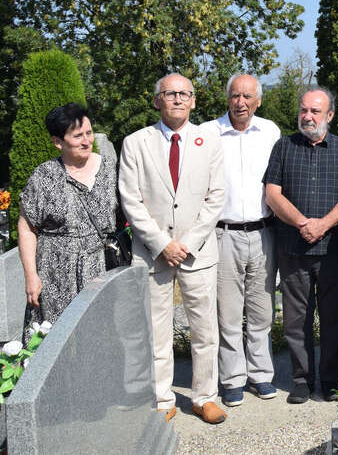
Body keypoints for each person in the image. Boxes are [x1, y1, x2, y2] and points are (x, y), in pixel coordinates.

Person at [119, 74, 226, 424]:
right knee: (156, 330)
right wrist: (163, 244)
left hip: (198, 252)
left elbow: (216, 198)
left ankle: (205, 396)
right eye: (170, 93)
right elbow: (130, 199)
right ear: (157, 101)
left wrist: (188, 243)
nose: (178, 99)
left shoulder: (208, 140)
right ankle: (162, 398)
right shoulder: (136, 143)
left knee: (205, 330)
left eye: (184, 94)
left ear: (193, 101)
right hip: (153, 252)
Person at [264, 88, 338, 404]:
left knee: (334, 319)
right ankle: (301, 380)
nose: (308, 116)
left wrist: (323, 224)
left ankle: (331, 379)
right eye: (304, 110)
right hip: (293, 248)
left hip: (333, 249)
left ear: (329, 116)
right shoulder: (283, 147)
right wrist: (302, 223)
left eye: (315, 111)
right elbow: (273, 194)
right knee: (295, 320)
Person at [202, 74, 281, 407]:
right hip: (223, 233)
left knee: (262, 309)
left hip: (264, 232)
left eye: (248, 96)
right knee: (228, 311)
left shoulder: (271, 132)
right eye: (235, 95)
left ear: (258, 101)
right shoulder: (207, 133)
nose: (241, 102)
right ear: (228, 99)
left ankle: (261, 374)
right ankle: (232, 378)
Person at [17, 103, 117, 343]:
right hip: (55, 275)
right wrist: (31, 276)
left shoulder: (111, 169)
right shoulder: (44, 176)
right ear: (57, 142)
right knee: (57, 341)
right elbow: (27, 227)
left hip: (101, 269)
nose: (86, 141)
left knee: (101, 337)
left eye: (89, 133)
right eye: (77, 136)